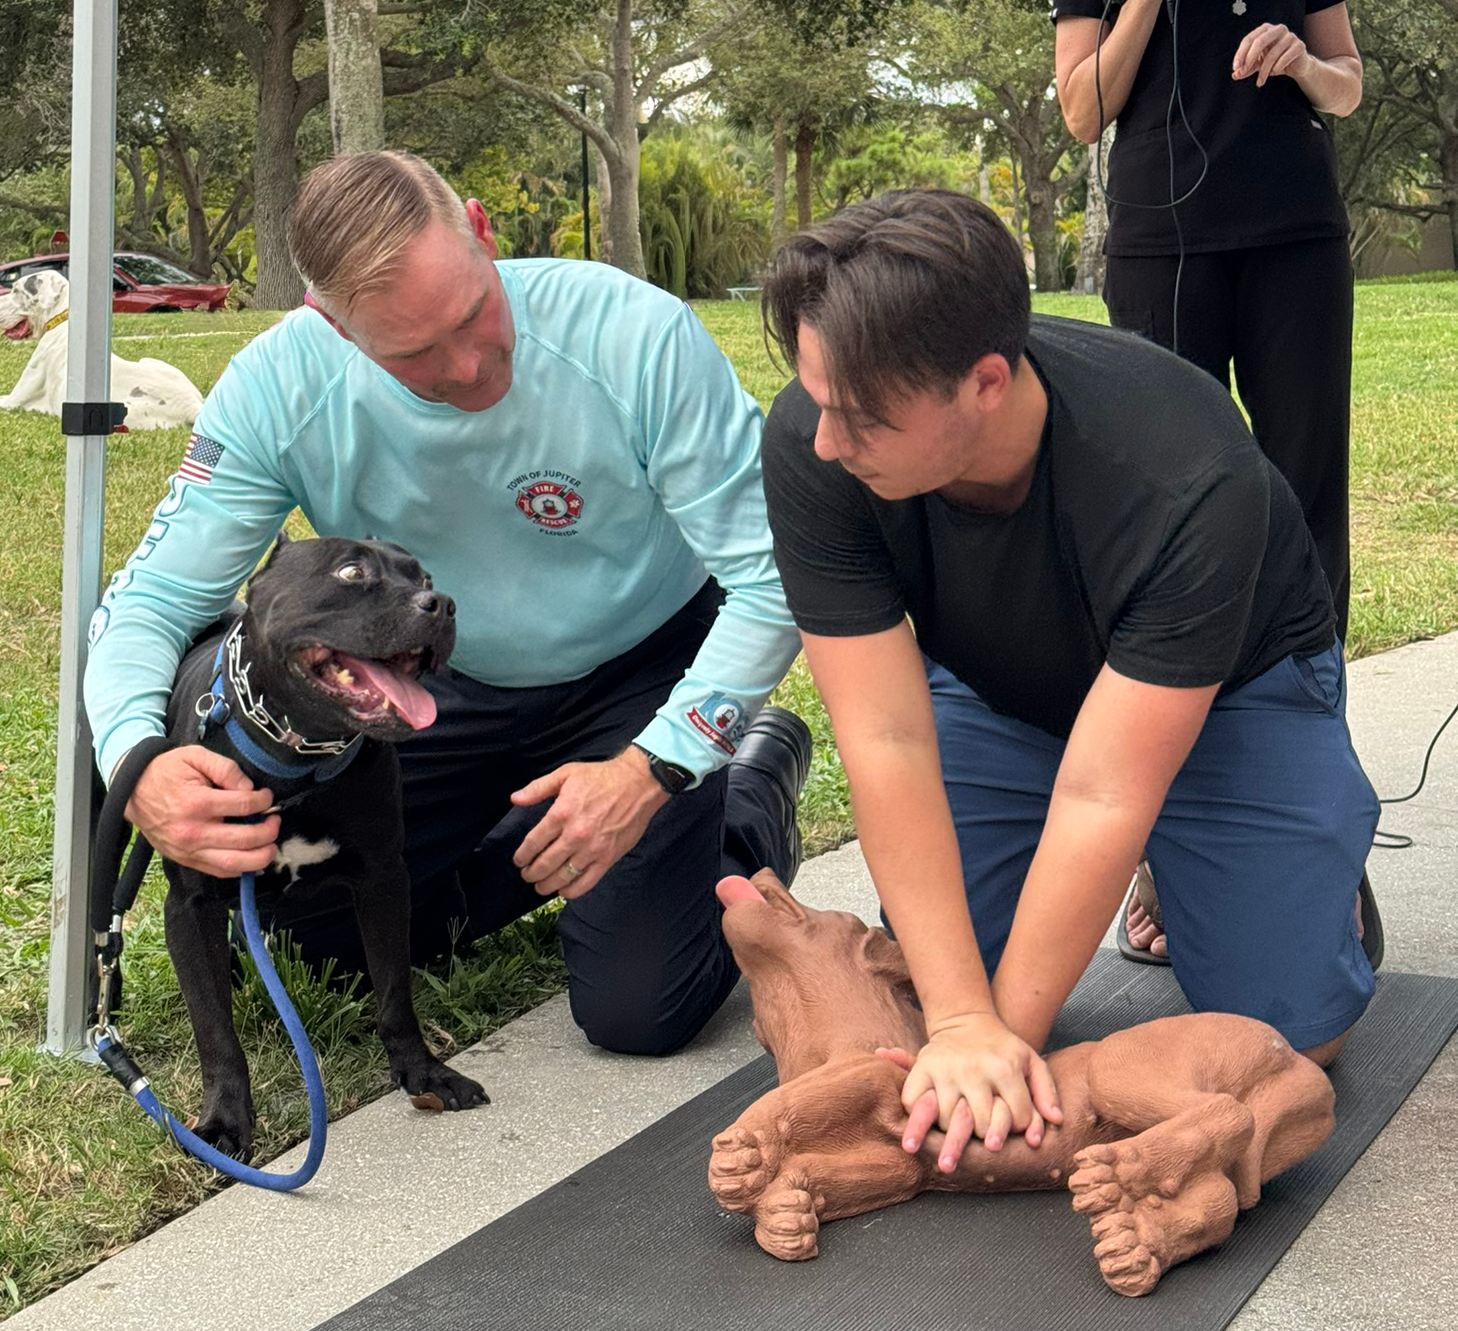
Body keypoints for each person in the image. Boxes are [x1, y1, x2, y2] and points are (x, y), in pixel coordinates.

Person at [84, 150, 810, 1058]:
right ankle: (558, 838)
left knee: (638, 1008)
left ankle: (746, 783)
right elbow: (147, 602)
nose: (470, 368)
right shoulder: (278, 389)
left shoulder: (633, 334)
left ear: (480, 227)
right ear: (336, 328)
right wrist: (138, 760)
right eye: (415, 354)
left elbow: (778, 574)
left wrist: (653, 769)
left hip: (643, 664)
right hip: (434, 678)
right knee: (317, 935)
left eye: (475, 315)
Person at [757, 189, 1378, 1169]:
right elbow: (885, 736)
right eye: (819, 402)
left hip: (1230, 694)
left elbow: (1103, 790)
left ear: (988, 383)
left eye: (860, 417)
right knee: (943, 998)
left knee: (1282, 1046)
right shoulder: (816, 438)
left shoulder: (1185, 473)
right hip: (1005, 693)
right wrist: (970, 1021)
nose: (827, 440)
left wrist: (994, 1043)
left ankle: (1298, 874)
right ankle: (1182, 871)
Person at [1051, 1, 1365, 960]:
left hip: (1297, 241)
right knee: (1167, 528)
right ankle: (1164, 843)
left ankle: (1324, 839)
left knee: (1307, 515)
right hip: (1161, 242)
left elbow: (1348, 87)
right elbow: (1080, 110)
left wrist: (1306, 62)